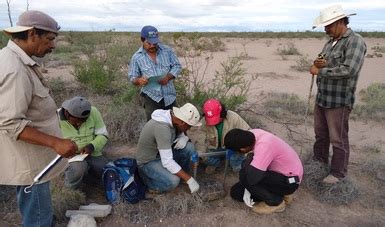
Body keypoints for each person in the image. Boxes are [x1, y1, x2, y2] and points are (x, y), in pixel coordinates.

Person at [0, 10, 78, 226]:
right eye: (50, 39)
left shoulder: (17, 60)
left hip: (33, 159)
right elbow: (10, 122)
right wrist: (56, 142)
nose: (53, 46)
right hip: (30, 164)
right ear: (33, 34)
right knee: (37, 217)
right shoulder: (15, 69)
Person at [310, 5, 367, 184]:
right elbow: (327, 63)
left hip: (339, 100)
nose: (326, 29)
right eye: (325, 25)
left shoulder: (355, 41)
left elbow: (348, 70)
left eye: (329, 25)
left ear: (341, 21)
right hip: (323, 98)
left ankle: (337, 173)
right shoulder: (331, 41)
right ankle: (319, 163)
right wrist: (320, 64)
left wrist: (320, 72)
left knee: (338, 139)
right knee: (321, 135)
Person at [224, 128, 303, 214]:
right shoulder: (253, 134)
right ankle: (281, 194)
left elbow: (252, 178)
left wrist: (248, 162)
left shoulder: (264, 146)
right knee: (237, 192)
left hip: (290, 181)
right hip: (277, 173)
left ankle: (275, 202)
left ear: (243, 149)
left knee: (244, 175)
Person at [136, 103, 201, 194]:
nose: (189, 129)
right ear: (182, 122)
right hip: (148, 162)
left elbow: (178, 133)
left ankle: (182, 176)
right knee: (173, 181)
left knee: (189, 147)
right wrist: (189, 179)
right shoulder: (162, 128)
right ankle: (149, 183)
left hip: (160, 154)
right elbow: (167, 162)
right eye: (189, 126)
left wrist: (184, 137)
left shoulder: (172, 118)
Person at [128, 25, 182, 120]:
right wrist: (139, 81)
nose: (152, 46)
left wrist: (168, 77)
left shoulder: (167, 51)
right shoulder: (137, 57)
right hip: (151, 99)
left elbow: (177, 66)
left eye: (155, 43)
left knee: (177, 124)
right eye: (149, 43)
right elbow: (132, 77)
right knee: (155, 127)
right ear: (142, 40)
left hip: (170, 97)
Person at [58, 96, 109, 189]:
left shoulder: (93, 112)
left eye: (84, 121)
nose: (80, 124)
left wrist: (92, 146)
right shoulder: (55, 118)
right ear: (67, 113)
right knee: (78, 170)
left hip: (92, 152)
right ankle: (71, 193)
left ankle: (91, 184)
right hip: (69, 156)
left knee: (107, 170)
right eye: (77, 121)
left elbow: (103, 135)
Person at [193, 99, 250, 173]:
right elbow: (200, 142)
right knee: (204, 156)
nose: (213, 122)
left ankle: (238, 168)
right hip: (213, 150)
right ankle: (216, 164)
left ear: (222, 113)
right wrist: (202, 155)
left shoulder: (233, 118)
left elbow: (248, 133)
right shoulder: (203, 123)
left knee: (237, 163)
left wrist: (245, 150)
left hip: (232, 148)